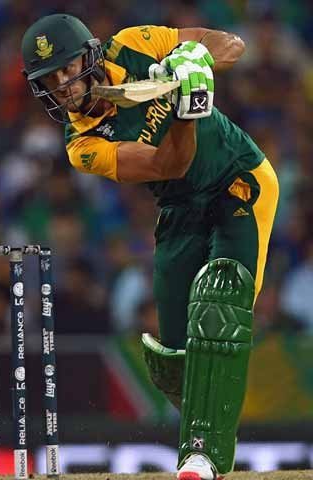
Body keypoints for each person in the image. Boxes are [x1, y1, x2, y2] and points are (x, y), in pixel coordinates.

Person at [21, 14, 279, 480]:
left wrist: (195, 57)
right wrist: (187, 107)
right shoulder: (83, 144)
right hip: (179, 203)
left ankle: (202, 456)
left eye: (67, 68)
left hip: (238, 180)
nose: (62, 86)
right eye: (48, 80)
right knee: (175, 355)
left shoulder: (133, 45)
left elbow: (232, 44)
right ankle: (210, 426)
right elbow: (170, 165)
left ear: (90, 55)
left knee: (221, 304)